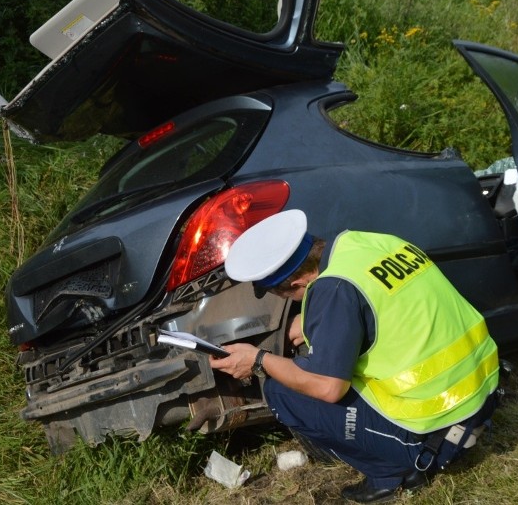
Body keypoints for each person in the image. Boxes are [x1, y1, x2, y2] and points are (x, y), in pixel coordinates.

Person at [210, 209, 500, 503]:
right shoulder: (369, 243)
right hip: (482, 393)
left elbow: (328, 387)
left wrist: (258, 360)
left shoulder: (333, 289)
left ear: (296, 285)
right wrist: (312, 322)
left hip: (438, 428)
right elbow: (384, 313)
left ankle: (392, 473)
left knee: (281, 391)